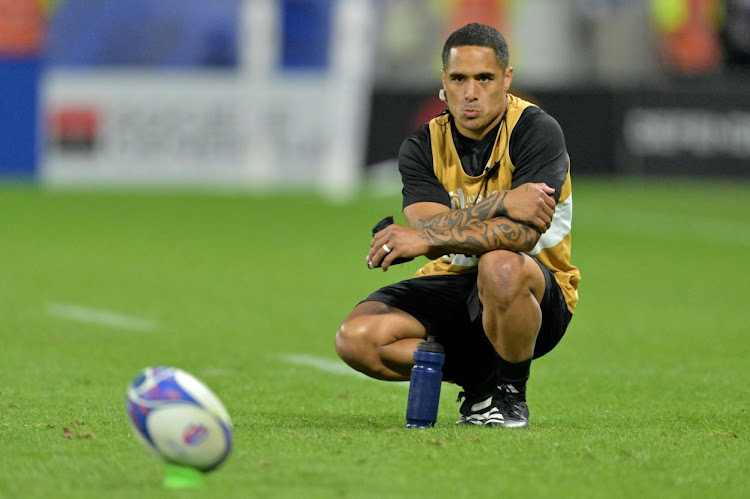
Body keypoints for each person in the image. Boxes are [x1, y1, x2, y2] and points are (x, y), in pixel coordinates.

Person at [335, 22, 580, 428]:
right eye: (459, 78)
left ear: (507, 79)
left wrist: (429, 237)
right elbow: (427, 231)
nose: (470, 92)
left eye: (484, 78)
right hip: (451, 282)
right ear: (443, 83)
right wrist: (501, 202)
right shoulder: (421, 146)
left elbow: (521, 236)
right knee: (356, 339)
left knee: (499, 264)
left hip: (534, 291)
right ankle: (479, 381)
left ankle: (509, 395)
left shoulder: (536, 131)